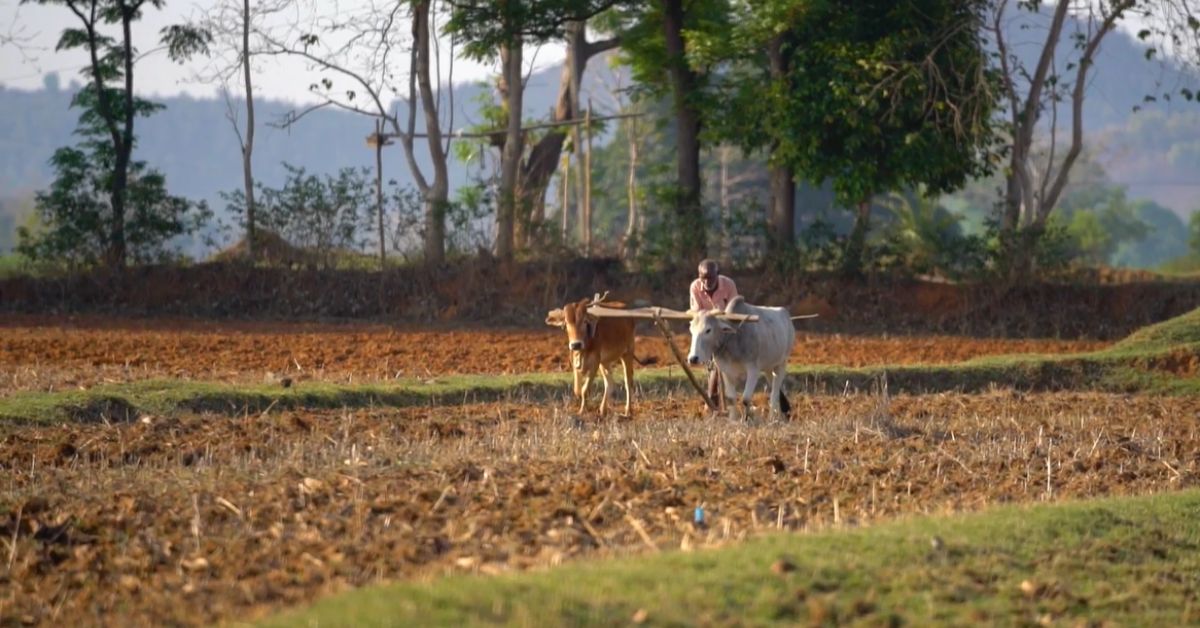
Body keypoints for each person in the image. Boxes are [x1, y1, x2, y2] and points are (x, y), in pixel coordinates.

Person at [688, 259, 738, 408]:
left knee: (718, 361)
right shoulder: (695, 287)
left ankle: (711, 398)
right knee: (711, 361)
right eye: (704, 278)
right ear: (699, 276)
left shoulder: (728, 285)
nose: (708, 282)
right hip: (706, 330)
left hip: (725, 329)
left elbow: (734, 309)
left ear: (718, 275)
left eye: (711, 278)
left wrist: (718, 318)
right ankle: (713, 398)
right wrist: (711, 316)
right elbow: (698, 313)